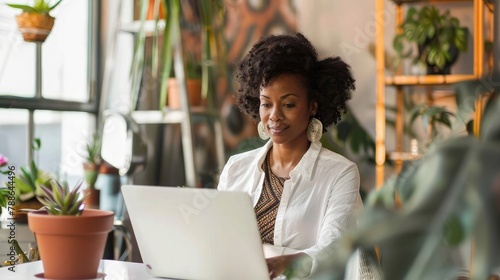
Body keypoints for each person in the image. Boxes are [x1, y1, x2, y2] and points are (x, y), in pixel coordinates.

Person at [217, 32, 363, 279]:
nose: (274, 116)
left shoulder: (340, 173)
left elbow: (333, 249)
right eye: (266, 103)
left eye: (288, 104)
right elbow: (218, 240)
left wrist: (285, 262)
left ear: (312, 105)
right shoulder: (236, 168)